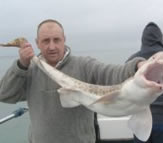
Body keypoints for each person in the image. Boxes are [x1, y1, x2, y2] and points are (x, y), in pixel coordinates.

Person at [0, 19, 145, 143]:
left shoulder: (84, 65)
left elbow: (111, 73)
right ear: (37, 43)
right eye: (45, 41)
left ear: (64, 39)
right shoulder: (29, 70)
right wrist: (21, 65)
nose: (52, 46)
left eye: (56, 40)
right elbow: (4, 94)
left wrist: (137, 66)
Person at [126, 22, 163, 143]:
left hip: (140, 117)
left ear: (143, 39)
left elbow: (123, 78)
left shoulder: (133, 59)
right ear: (160, 38)